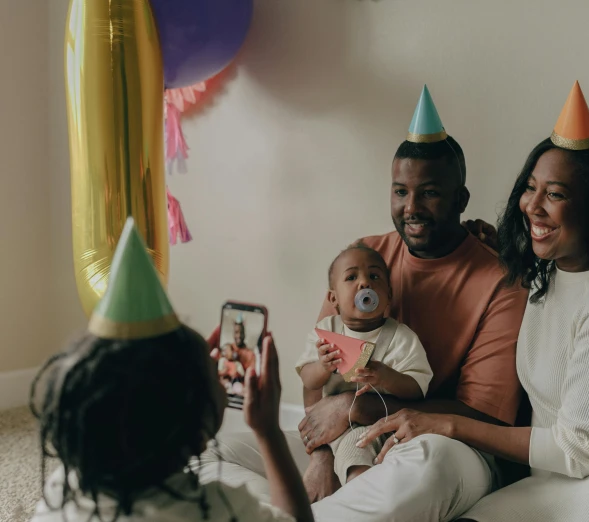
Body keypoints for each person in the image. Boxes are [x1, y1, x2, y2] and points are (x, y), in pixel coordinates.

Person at [356, 82, 589, 521]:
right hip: (555, 479)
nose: (533, 206)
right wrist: (494, 243)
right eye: (530, 187)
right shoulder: (543, 274)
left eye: (556, 194)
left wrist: (444, 422)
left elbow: (579, 448)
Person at [201, 85, 529, 521]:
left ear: (460, 200)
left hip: (444, 446)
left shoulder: (500, 281)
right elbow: (319, 378)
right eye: (400, 192)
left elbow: (483, 415)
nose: (411, 207)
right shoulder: (363, 258)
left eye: (429, 192)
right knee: (214, 453)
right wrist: (319, 457)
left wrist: (358, 407)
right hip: (342, 439)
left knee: (429, 467)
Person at [29, 218, 313, 522]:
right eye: (211, 377)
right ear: (200, 424)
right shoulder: (220, 509)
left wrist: (187, 372)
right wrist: (268, 431)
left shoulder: (61, 491)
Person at [296, 243, 433, 486]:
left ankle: (356, 495)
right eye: (351, 277)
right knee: (338, 452)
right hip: (331, 425)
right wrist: (322, 367)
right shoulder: (327, 330)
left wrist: (387, 377)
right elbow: (308, 380)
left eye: (374, 276)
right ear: (333, 298)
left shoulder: (402, 337)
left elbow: (418, 389)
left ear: (389, 294)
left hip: (375, 425)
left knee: (357, 452)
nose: (364, 284)